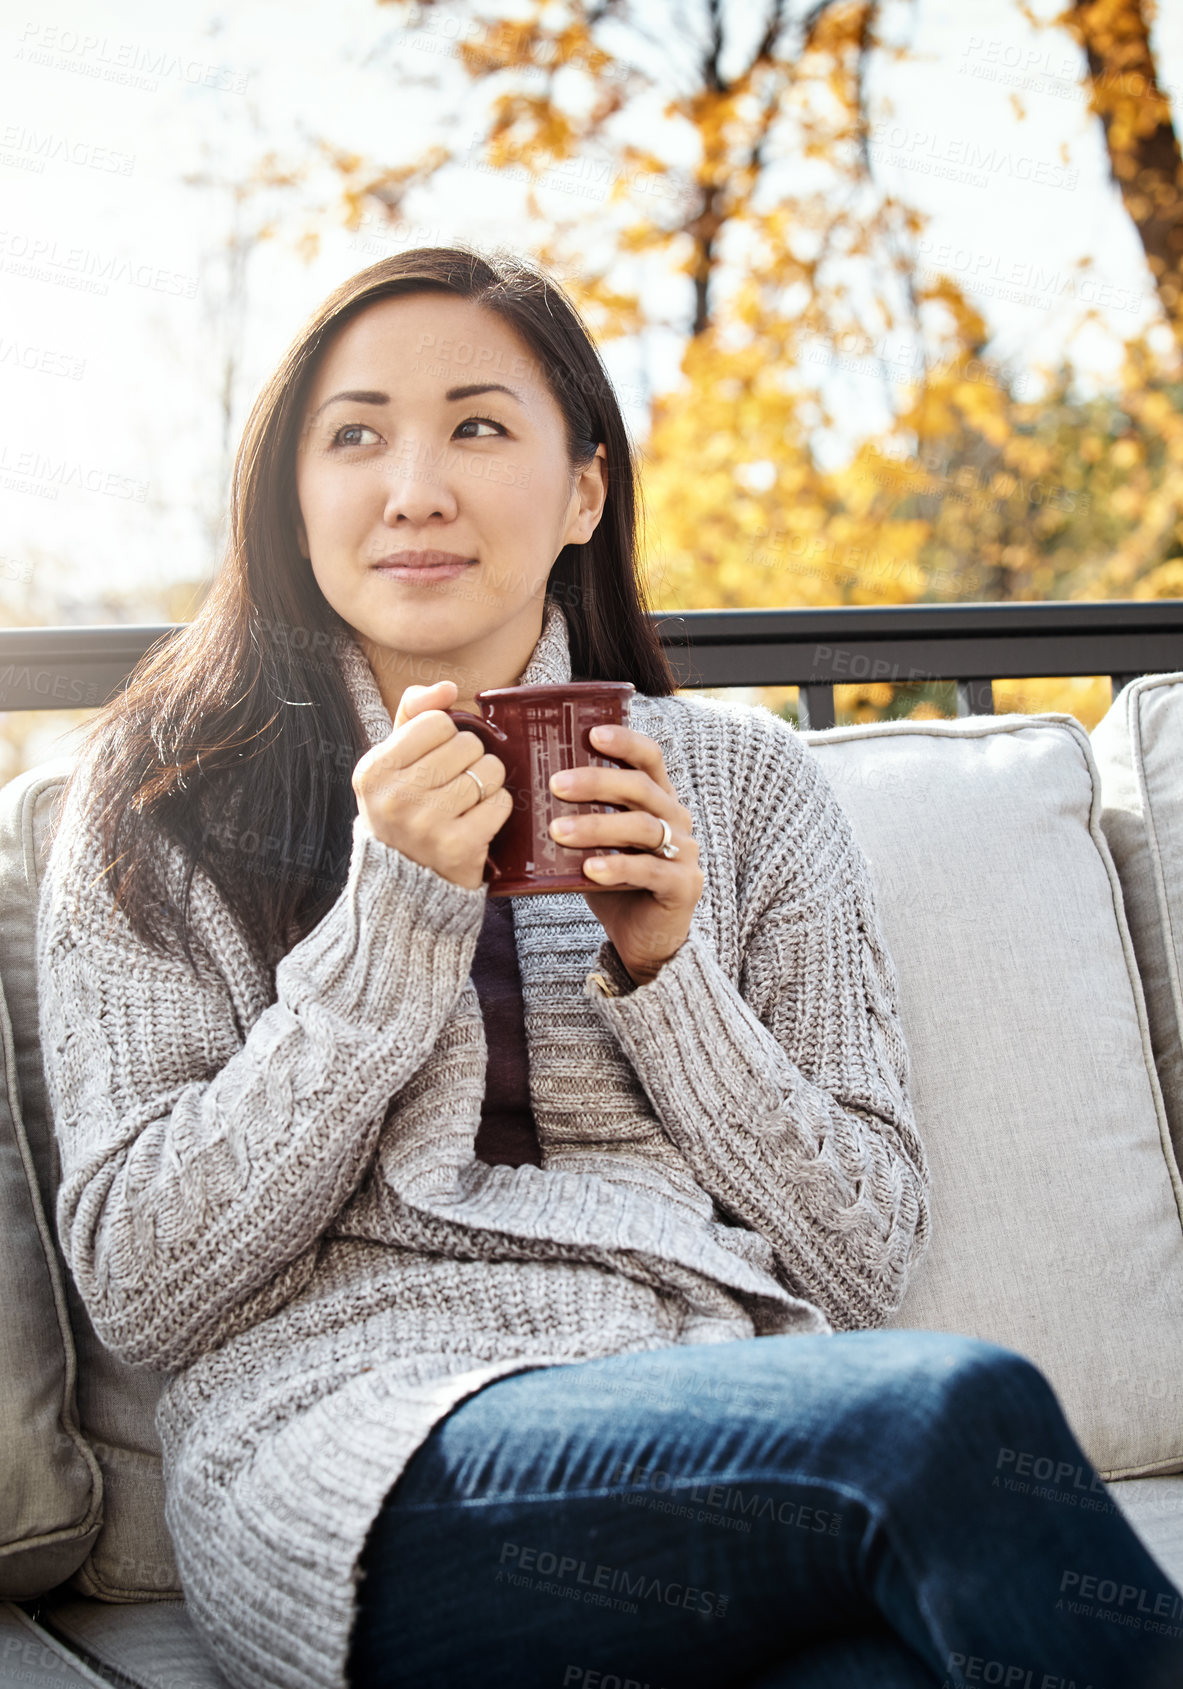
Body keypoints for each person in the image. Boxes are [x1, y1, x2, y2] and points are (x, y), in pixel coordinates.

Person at [35, 245, 1182, 1689]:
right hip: (357, 1454)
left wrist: (673, 978)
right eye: (355, 434)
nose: (414, 489)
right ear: (293, 496)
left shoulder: (747, 792)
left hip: (719, 1420)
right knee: (951, 1411)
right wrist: (391, 927)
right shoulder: (162, 798)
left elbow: (858, 1248)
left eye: (477, 424)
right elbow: (146, 1280)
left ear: (583, 486)